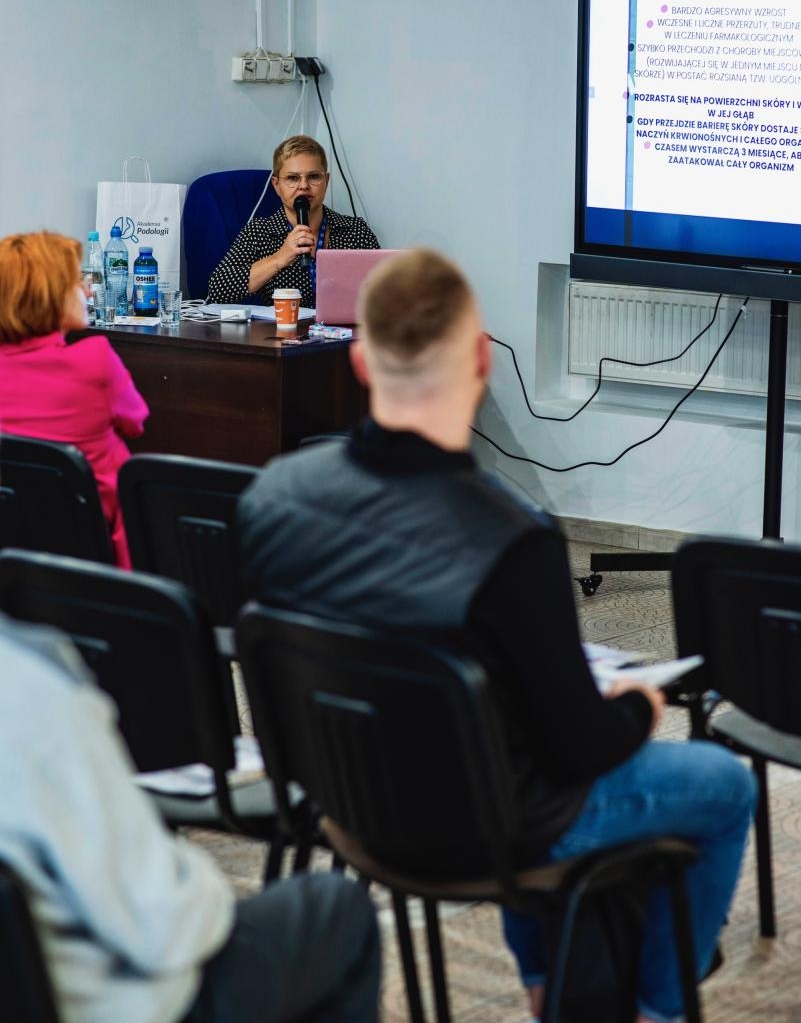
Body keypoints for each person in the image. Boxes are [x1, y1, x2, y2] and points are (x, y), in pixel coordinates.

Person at [237, 248, 756, 1023]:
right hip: (487, 827)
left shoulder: (274, 495)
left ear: (359, 362)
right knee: (723, 784)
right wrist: (638, 706)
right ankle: (656, 1008)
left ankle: (554, 982)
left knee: (494, 730)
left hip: (348, 808)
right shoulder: (512, 540)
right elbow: (578, 751)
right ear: (480, 359)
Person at [0, 611, 380, 1023]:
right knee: (339, 909)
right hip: (102, 1005)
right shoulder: (31, 691)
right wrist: (202, 881)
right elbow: (162, 928)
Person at [0, 231, 148, 568]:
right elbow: (136, 422)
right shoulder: (94, 359)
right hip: (96, 546)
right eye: (76, 281)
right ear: (47, 296)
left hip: (16, 542)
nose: (88, 289)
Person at [206, 135, 379, 308]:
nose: (303, 186)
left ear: (326, 181)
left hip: (344, 331)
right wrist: (279, 258)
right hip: (284, 330)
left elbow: (387, 288)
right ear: (276, 185)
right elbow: (218, 289)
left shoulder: (355, 229)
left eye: (313, 176)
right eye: (292, 178)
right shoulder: (260, 231)